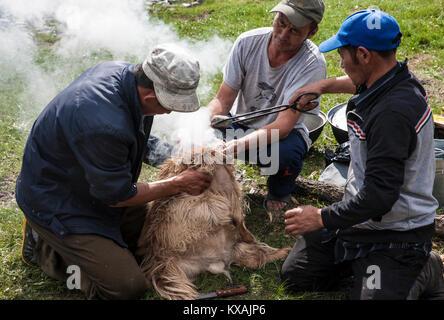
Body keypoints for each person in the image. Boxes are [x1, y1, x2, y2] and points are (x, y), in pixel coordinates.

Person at [17, 43, 212, 300]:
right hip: (59, 203)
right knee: (127, 286)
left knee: (149, 242)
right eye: (169, 106)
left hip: (92, 185)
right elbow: (119, 195)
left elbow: (133, 139)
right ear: (152, 97)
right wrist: (178, 183)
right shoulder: (103, 123)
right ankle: (46, 249)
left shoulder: (126, 78)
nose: (168, 112)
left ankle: (85, 245)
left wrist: (178, 156)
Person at [281, 9, 444, 300]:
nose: (342, 63)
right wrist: (321, 86)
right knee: (297, 276)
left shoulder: (392, 114)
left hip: (396, 235)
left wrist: (321, 217)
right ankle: (364, 266)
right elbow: (354, 83)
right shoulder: (390, 79)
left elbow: (379, 197)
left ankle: (423, 267)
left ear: (363, 54)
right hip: (358, 221)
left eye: (343, 55)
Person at [207, 0, 327, 211]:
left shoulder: (312, 64)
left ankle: (280, 189)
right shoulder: (247, 42)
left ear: (312, 32)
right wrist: (200, 124)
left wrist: (234, 147)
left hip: (280, 137)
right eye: (280, 22)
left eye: (294, 30)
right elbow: (223, 100)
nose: (282, 34)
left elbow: (283, 126)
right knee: (202, 140)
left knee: (286, 155)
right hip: (240, 124)